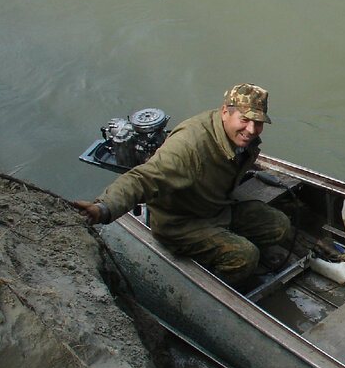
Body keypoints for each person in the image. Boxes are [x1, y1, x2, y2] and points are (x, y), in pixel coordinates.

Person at [74, 83, 291, 287]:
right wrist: (103, 208)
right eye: (244, 119)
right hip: (180, 222)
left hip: (216, 207)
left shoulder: (238, 138)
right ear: (225, 112)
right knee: (244, 257)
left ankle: (222, 246)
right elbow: (142, 179)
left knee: (279, 226)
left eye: (258, 123)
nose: (251, 129)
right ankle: (216, 284)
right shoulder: (188, 146)